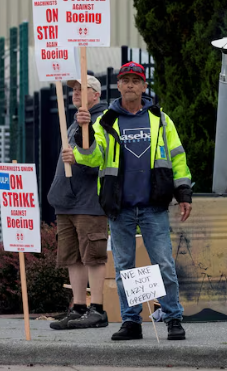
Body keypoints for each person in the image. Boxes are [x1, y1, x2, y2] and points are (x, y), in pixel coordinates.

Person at [70, 61, 193, 341]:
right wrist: (83, 133)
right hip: (120, 206)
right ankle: (131, 322)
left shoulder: (160, 119)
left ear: (143, 86)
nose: (129, 85)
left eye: (135, 81)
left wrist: (183, 194)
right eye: (125, 80)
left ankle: (173, 318)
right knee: (125, 268)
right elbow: (91, 159)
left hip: (154, 205)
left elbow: (177, 158)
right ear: (118, 86)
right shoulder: (105, 121)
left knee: (164, 264)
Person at [49, 75, 109, 330]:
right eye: (73, 89)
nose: (75, 92)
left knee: (92, 256)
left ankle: (97, 308)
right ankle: (79, 307)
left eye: (83, 89)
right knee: (72, 256)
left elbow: (102, 156)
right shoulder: (74, 122)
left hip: (89, 201)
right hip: (67, 201)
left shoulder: (102, 120)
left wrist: (79, 156)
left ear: (96, 95)